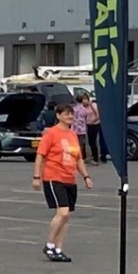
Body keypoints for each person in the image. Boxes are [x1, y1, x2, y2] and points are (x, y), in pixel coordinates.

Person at [33, 103, 94, 263]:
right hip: (54, 177)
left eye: (71, 114)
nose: (70, 117)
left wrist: (86, 176)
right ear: (58, 115)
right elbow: (40, 155)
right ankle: (49, 244)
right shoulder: (51, 134)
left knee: (67, 217)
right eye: (66, 114)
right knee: (63, 212)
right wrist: (36, 177)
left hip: (70, 178)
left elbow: (78, 158)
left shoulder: (72, 135)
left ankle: (58, 249)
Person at [83, 92, 103, 164]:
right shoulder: (84, 107)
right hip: (88, 124)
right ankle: (92, 156)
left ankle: (96, 158)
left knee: (93, 141)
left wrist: (93, 121)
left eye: (85, 100)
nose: (84, 102)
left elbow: (97, 115)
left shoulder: (93, 105)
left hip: (94, 124)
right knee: (90, 141)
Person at [72, 92, 91, 161]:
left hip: (74, 128)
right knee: (81, 143)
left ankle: (74, 156)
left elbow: (72, 117)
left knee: (74, 143)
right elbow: (86, 118)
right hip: (82, 128)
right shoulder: (85, 110)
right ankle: (80, 156)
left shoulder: (73, 109)